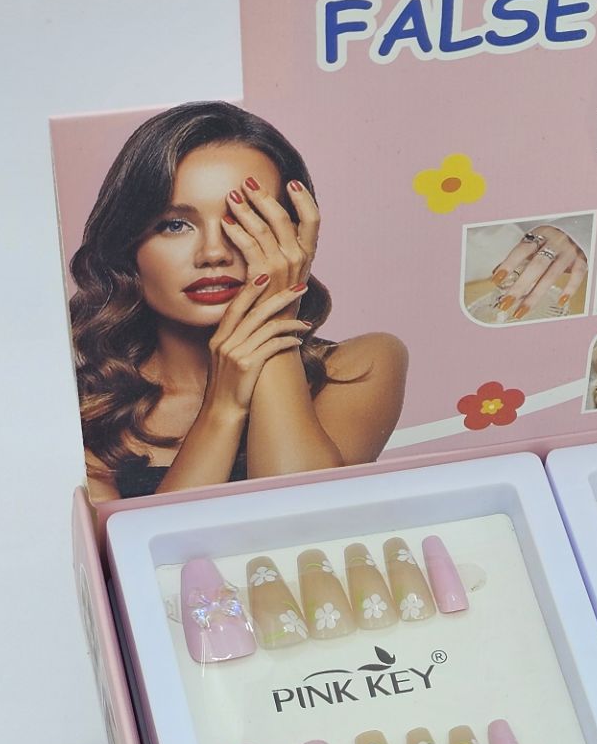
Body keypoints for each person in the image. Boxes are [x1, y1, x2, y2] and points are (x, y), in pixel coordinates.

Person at [70, 101, 407, 500]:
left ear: (294, 235)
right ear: (128, 244)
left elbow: (299, 518)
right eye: (175, 225)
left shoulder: (360, 367)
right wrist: (222, 406)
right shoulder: (82, 409)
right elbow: (161, 541)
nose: (213, 253)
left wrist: (274, 314)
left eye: (247, 222)